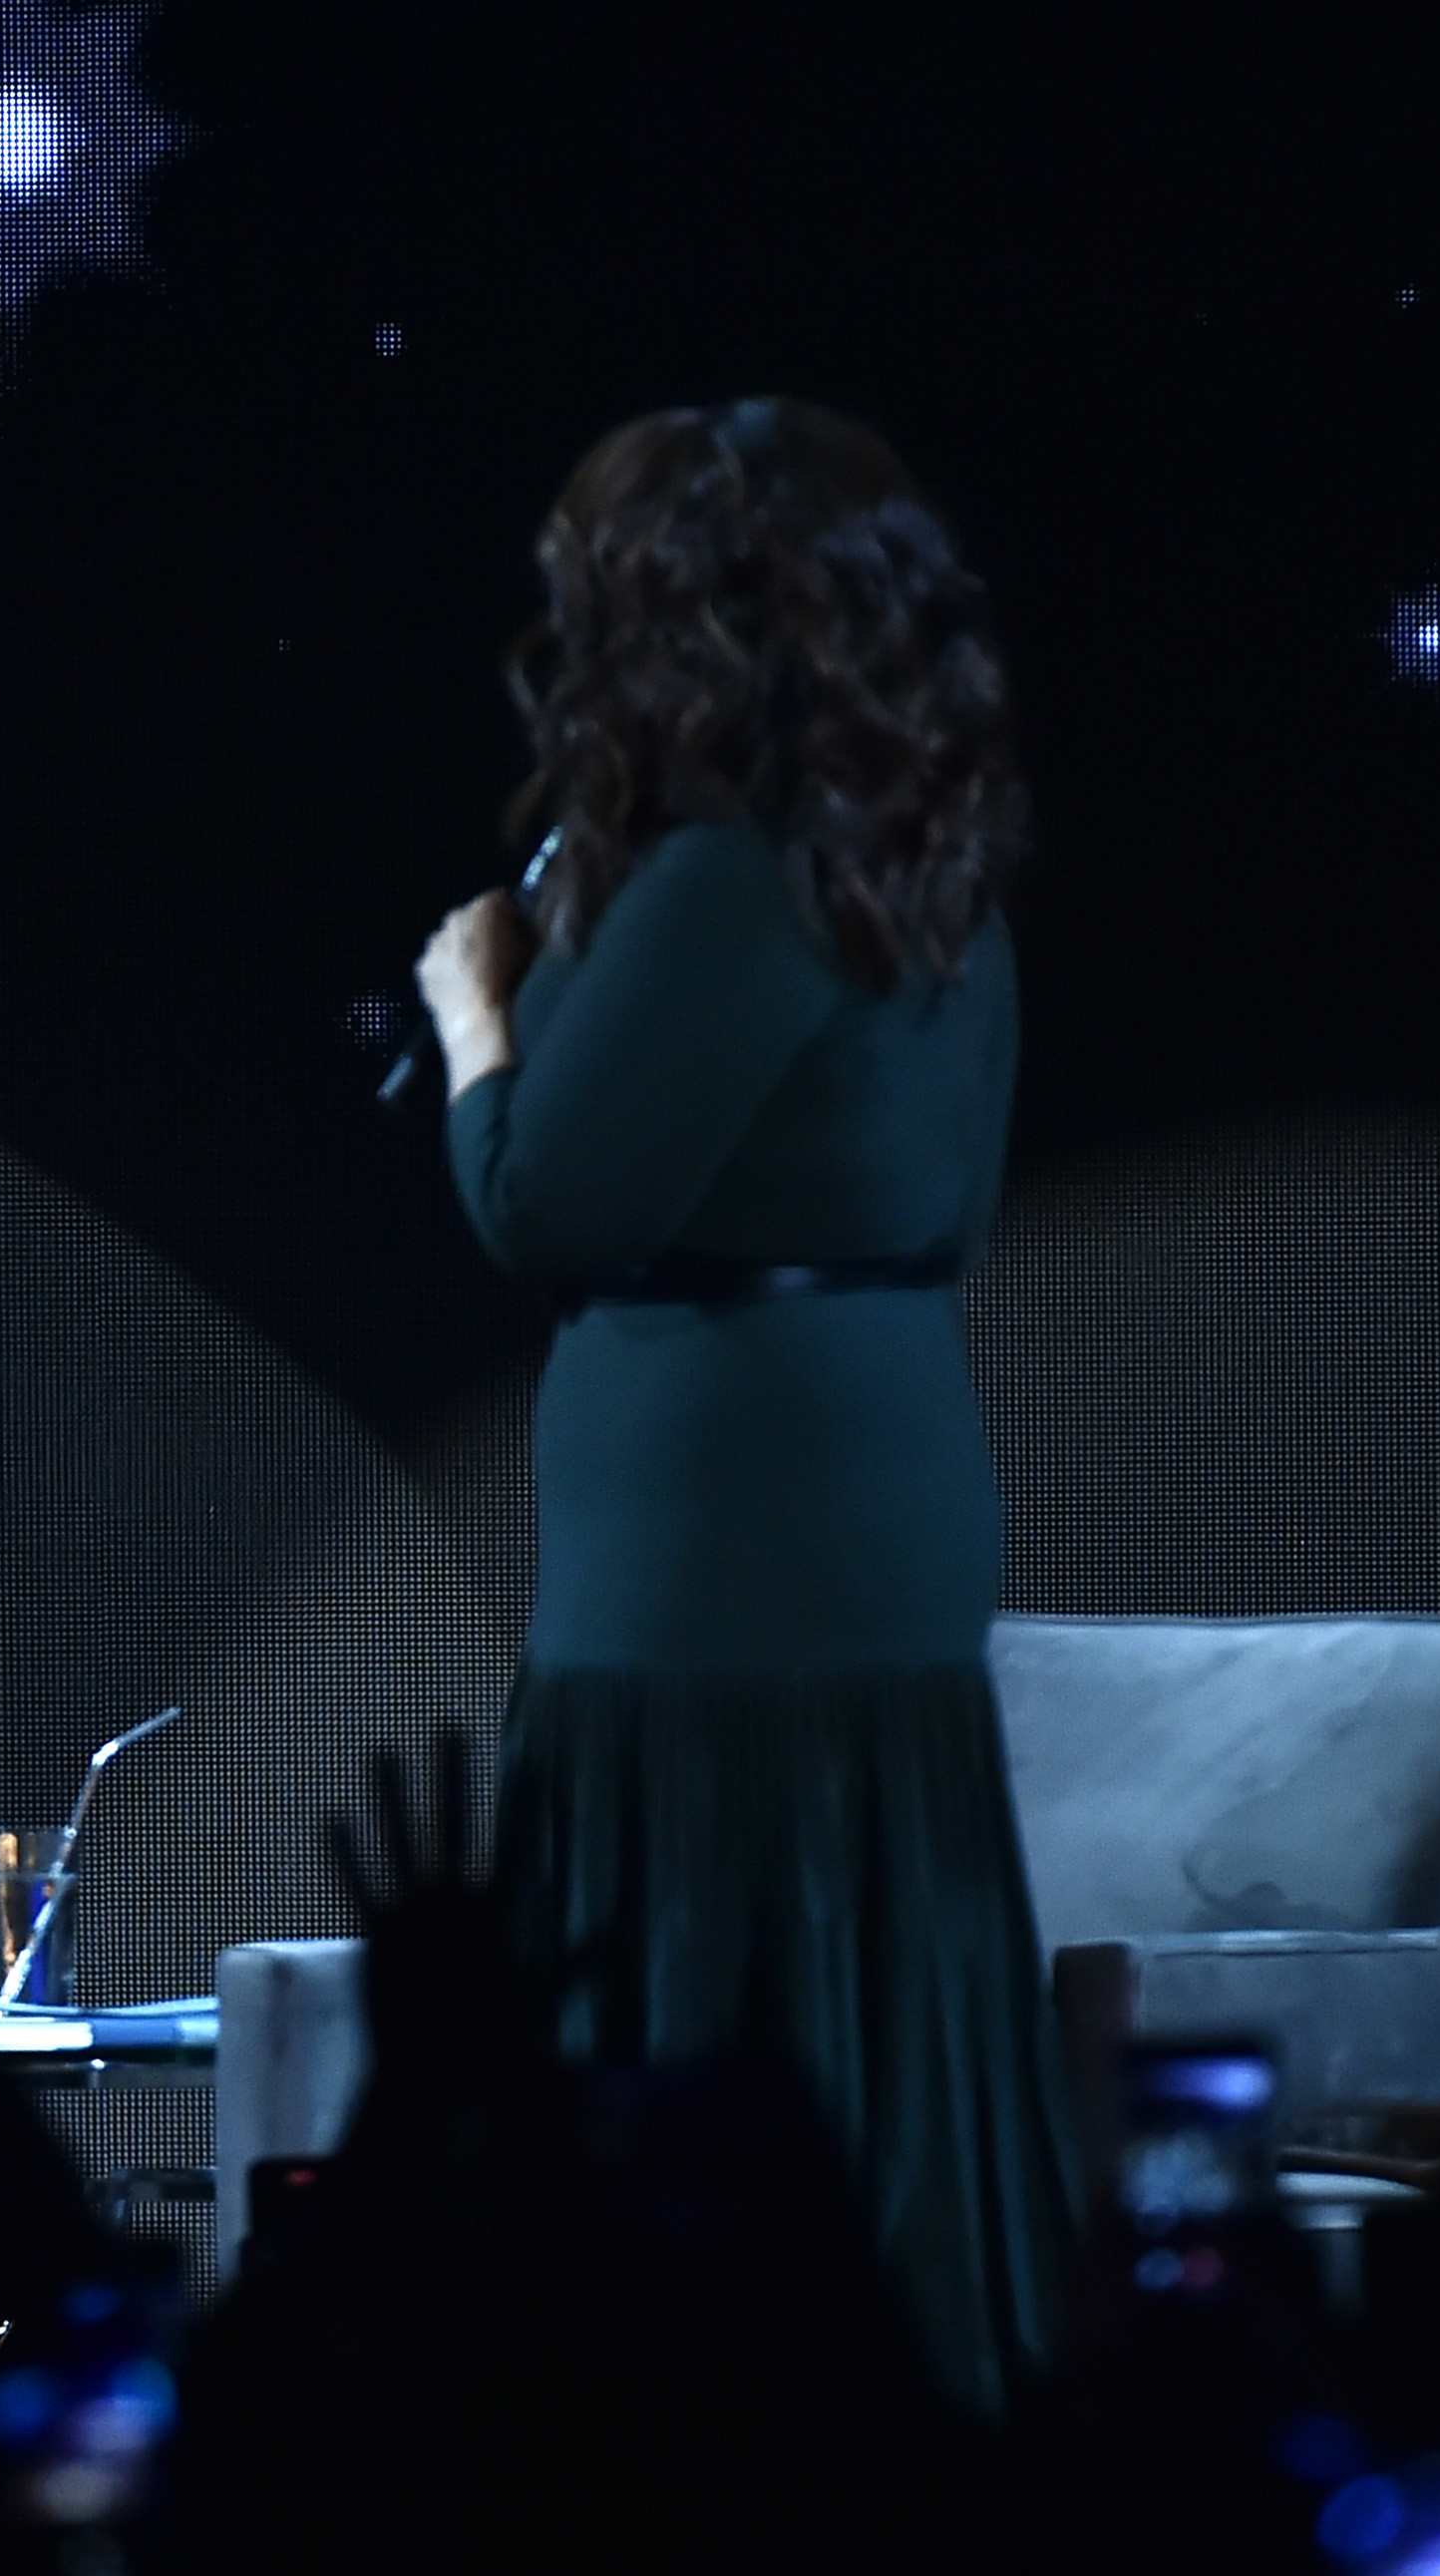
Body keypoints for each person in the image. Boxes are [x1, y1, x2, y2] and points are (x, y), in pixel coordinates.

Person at [412, 399, 1074, 2414]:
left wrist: (471, 1016)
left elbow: (547, 1200)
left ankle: (678, 2435)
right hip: (882, 1481)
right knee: (865, 1940)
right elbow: (945, 1201)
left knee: (685, 1931)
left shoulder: (721, 885)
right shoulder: (935, 883)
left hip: (715, 1537)